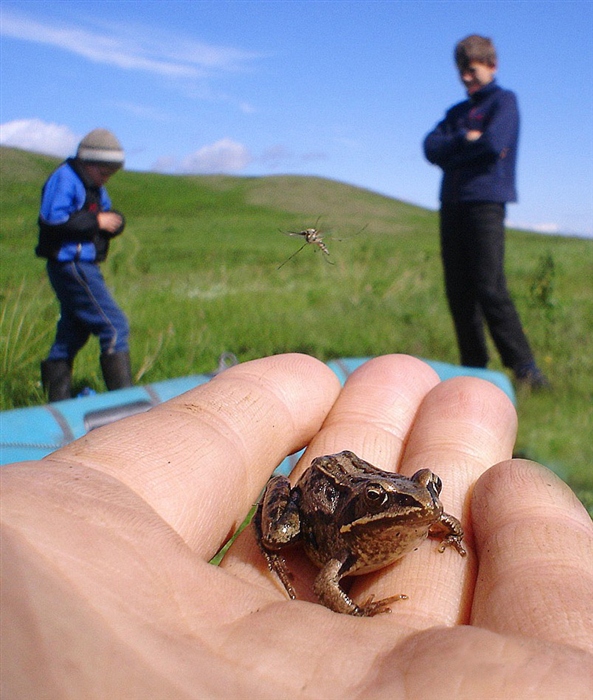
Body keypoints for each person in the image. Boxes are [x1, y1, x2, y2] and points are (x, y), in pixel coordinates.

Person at [2, 354, 591, 697]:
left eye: (430, 492)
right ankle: (272, 536)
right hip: (322, 501)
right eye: (402, 499)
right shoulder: (348, 549)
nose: (427, 506)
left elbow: (422, 506)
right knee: (282, 534)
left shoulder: (420, 512)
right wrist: (357, 614)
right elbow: (330, 583)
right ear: (374, 504)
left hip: (357, 482)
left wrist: (441, 524)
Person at [423, 35, 549, 389]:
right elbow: (430, 147)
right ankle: (473, 369)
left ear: (492, 65)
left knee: (490, 286)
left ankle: (525, 370)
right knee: (458, 289)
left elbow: (495, 143)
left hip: (486, 203)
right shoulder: (457, 114)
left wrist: (456, 153)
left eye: (472, 70)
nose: (466, 78)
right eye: (461, 71)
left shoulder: (503, 102)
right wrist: (466, 141)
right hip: (451, 204)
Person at [36, 128, 133, 401]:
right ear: (86, 162)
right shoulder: (65, 179)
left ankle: (57, 402)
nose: (106, 181)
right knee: (114, 326)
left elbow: (107, 212)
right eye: (103, 173)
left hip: (81, 263)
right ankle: (125, 402)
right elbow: (52, 219)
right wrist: (97, 222)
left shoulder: (94, 186)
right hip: (72, 263)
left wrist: (114, 222)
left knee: (73, 332)